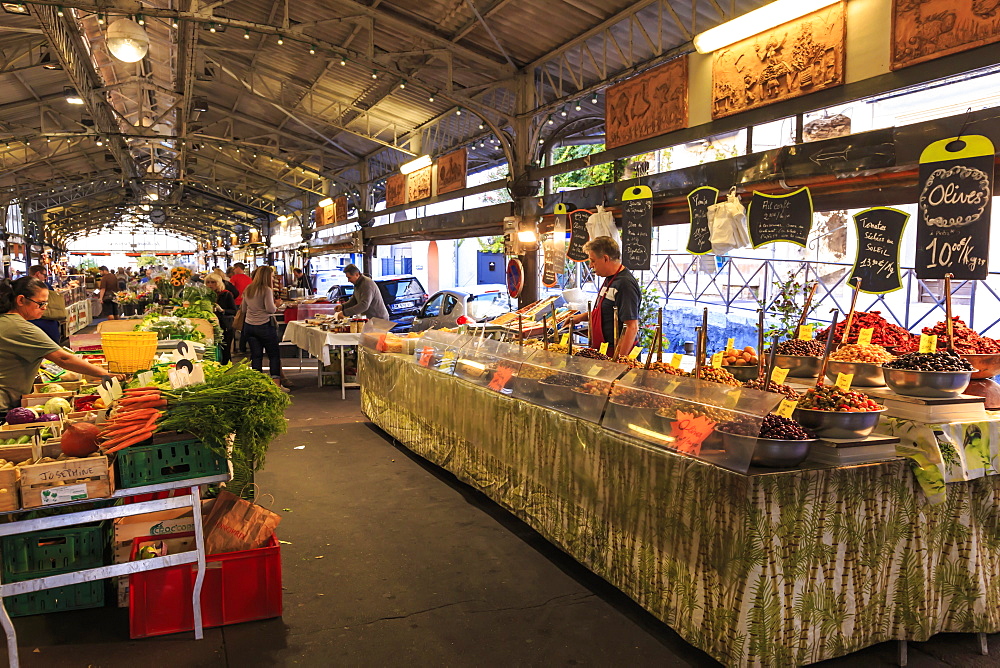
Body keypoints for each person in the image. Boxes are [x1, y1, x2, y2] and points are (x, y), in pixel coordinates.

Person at [0, 277, 123, 412]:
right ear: (21, 300)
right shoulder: (20, 327)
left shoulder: (5, 321)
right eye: (41, 304)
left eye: (46, 303)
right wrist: (104, 374)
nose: (45, 308)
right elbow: (64, 359)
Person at [573, 236, 640, 360]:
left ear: (605, 258)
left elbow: (632, 326)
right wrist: (580, 318)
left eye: (593, 261)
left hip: (617, 352)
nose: (591, 265)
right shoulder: (610, 278)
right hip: (605, 349)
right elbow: (604, 311)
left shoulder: (625, 284)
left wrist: (619, 360)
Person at [239, 266, 286, 388]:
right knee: (273, 355)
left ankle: (257, 384)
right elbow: (270, 309)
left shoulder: (248, 288)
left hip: (249, 326)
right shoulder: (266, 290)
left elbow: (243, 309)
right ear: (267, 277)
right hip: (264, 326)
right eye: (272, 276)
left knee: (256, 355)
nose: (273, 278)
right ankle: (276, 385)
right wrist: (277, 304)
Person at [26, 265, 65, 344]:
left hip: (32, 322)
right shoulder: (43, 286)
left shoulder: (24, 285)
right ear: (37, 274)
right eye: (44, 275)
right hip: (45, 321)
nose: (45, 277)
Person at [205, 274, 236, 365]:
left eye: (213, 282)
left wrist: (222, 310)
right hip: (210, 326)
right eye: (208, 282)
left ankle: (227, 368)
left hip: (225, 326)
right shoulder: (205, 295)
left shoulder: (226, 294)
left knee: (225, 350)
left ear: (218, 283)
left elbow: (234, 311)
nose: (210, 285)